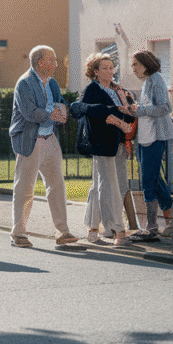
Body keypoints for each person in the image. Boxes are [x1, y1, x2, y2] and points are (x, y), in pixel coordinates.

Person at [8, 46, 78, 248]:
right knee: (25, 188)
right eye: (53, 60)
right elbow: (29, 112)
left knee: (57, 186)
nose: (56, 64)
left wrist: (62, 111)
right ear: (41, 62)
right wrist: (51, 115)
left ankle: (63, 232)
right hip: (31, 140)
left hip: (50, 138)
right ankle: (18, 233)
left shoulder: (52, 83)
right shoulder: (24, 83)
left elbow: (60, 101)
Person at [72, 53, 136, 246]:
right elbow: (82, 109)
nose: (109, 71)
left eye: (111, 67)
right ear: (96, 72)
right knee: (109, 185)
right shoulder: (92, 89)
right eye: (105, 68)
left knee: (104, 185)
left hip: (118, 143)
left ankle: (93, 229)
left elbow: (130, 117)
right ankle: (118, 231)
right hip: (101, 143)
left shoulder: (118, 90)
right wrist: (110, 113)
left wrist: (127, 111)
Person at [127, 50, 173, 241]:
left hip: (155, 138)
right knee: (155, 180)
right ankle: (169, 221)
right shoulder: (148, 82)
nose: (133, 68)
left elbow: (165, 107)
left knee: (148, 180)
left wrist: (140, 110)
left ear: (146, 65)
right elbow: (148, 109)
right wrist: (136, 109)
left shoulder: (156, 80)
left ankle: (151, 227)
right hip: (145, 137)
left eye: (136, 64)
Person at [109, 78, 141, 233]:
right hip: (123, 141)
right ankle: (132, 224)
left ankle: (116, 225)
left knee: (116, 185)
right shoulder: (125, 93)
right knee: (121, 184)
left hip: (115, 142)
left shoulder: (115, 93)